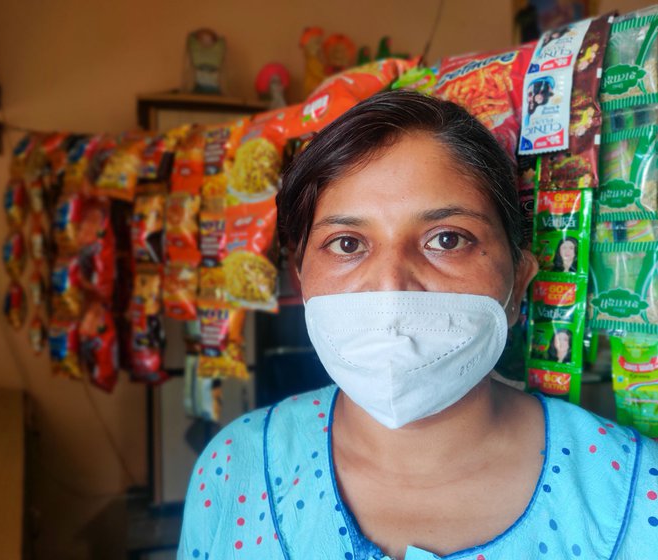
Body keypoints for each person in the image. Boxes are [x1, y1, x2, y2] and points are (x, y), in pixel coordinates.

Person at [177, 90, 658, 560]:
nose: (391, 286)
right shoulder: (234, 468)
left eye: (447, 239)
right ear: (302, 282)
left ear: (520, 283)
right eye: (347, 244)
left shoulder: (638, 496)